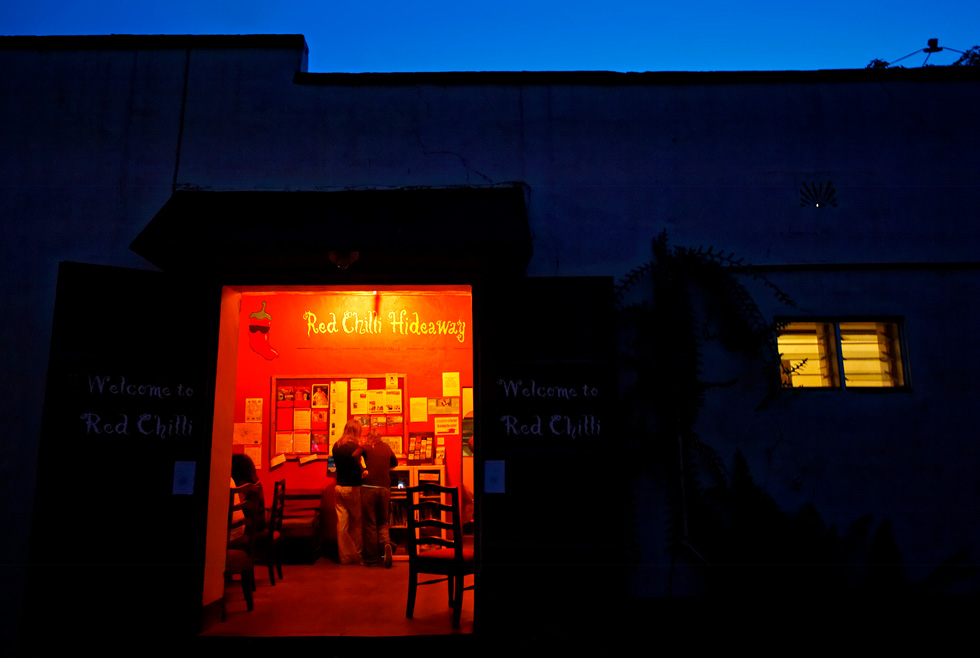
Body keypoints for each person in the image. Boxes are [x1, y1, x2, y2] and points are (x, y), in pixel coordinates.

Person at [361, 431, 398, 567]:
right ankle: (386, 543)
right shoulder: (387, 447)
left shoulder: (365, 447)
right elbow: (395, 462)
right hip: (384, 488)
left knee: (370, 523)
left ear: (369, 438)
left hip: (368, 487)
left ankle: (371, 558)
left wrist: (362, 469)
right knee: (383, 521)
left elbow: (353, 456)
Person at [332, 419, 366, 565]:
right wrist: (364, 470)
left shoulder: (336, 445)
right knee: (357, 522)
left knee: (342, 524)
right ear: (354, 432)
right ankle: (356, 555)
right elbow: (359, 468)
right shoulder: (354, 447)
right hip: (352, 488)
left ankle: (344, 557)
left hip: (338, 488)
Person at [231, 453, 266, 533]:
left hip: (250, 529)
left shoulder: (243, 487)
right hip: (260, 523)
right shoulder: (256, 483)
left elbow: (235, 508)